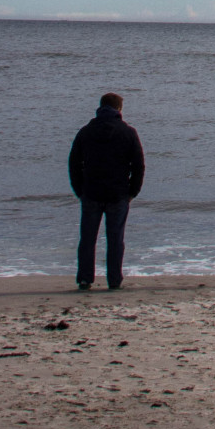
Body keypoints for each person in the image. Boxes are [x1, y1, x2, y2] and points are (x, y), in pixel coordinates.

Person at [68, 92, 145, 291]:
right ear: (119, 109)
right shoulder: (128, 132)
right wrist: (132, 192)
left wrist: (80, 190)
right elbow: (138, 165)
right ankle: (114, 280)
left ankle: (85, 279)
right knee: (115, 239)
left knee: (87, 239)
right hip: (117, 193)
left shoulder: (86, 132)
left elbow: (74, 164)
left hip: (92, 192)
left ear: (100, 107)